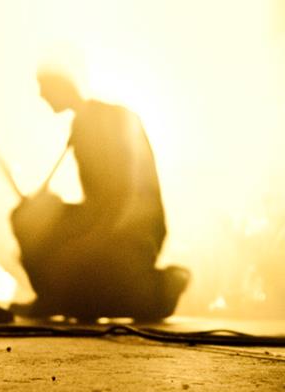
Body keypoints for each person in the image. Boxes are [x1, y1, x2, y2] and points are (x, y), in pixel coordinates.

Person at [11, 68, 189, 321]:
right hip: (102, 219)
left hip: (133, 229)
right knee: (25, 216)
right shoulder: (82, 123)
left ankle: (162, 287)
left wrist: (94, 239)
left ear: (63, 84)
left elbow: (127, 193)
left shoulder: (112, 119)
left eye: (44, 87)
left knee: (99, 290)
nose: (41, 95)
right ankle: (55, 296)